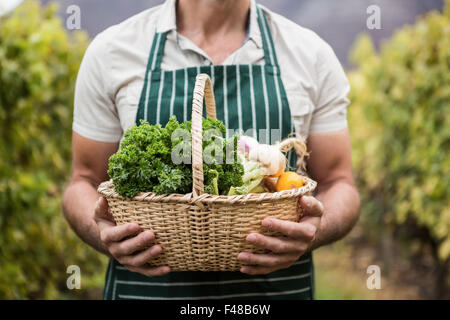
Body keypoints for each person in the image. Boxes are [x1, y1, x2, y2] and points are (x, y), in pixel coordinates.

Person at [62, 0, 360, 300]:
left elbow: (339, 182)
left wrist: (314, 233)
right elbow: (83, 180)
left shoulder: (311, 54)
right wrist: (102, 233)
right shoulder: (112, 52)